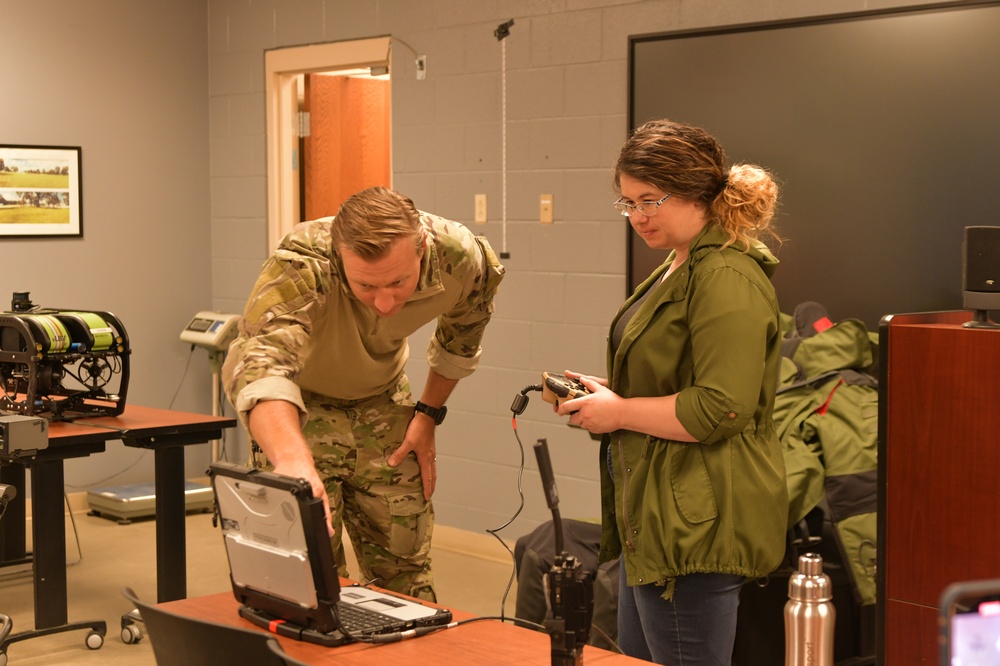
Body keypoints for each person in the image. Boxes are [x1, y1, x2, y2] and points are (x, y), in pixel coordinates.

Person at [556, 119, 789, 665]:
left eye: (650, 200)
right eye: (628, 202)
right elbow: (681, 379)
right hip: (662, 514)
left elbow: (720, 407)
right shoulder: (679, 264)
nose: (637, 216)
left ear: (695, 194)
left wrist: (619, 412)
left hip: (698, 523)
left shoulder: (725, 275)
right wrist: (613, 395)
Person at [222, 186, 505, 601]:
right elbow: (260, 363)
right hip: (300, 409)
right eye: (366, 287)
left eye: (398, 282)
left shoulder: (460, 258)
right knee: (307, 575)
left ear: (422, 247)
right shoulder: (303, 260)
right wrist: (292, 460)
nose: (386, 303)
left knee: (406, 572)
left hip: (384, 402)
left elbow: (460, 339)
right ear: (339, 258)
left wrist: (426, 415)